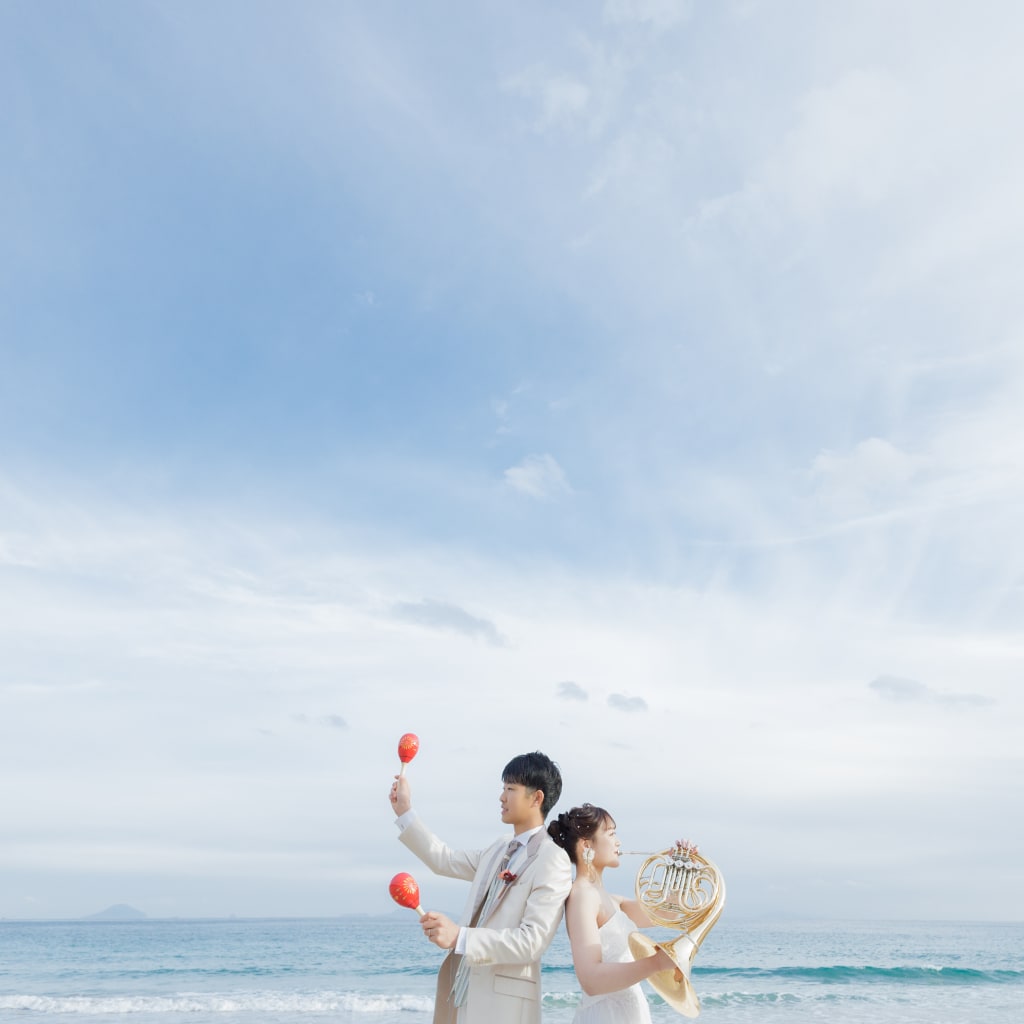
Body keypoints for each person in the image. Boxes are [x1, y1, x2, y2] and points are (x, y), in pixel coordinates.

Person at [389, 751, 572, 1024]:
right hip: (463, 996)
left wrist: (459, 937)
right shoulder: (499, 848)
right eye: (502, 788)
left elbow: (532, 942)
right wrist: (405, 811)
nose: (501, 797)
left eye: (510, 789)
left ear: (537, 798)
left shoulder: (552, 859)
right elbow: (444, 860)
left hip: (503, 1008)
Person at [548, 804, 678, 1024]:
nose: (618, 842)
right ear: (586, 845)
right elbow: (590, 979)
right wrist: (656, 964)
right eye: (611, 834)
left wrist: (681, 867)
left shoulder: (611, 899)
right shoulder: (582, 895)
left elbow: (668, 913)